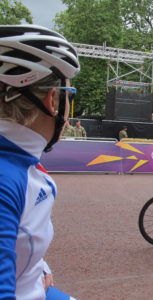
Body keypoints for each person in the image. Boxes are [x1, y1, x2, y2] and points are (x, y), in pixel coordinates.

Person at [0, 24, 80, 299]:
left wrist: (37, 265)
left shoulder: (21, 165)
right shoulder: (7, 179)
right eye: (71, 96)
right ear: (53, 100)